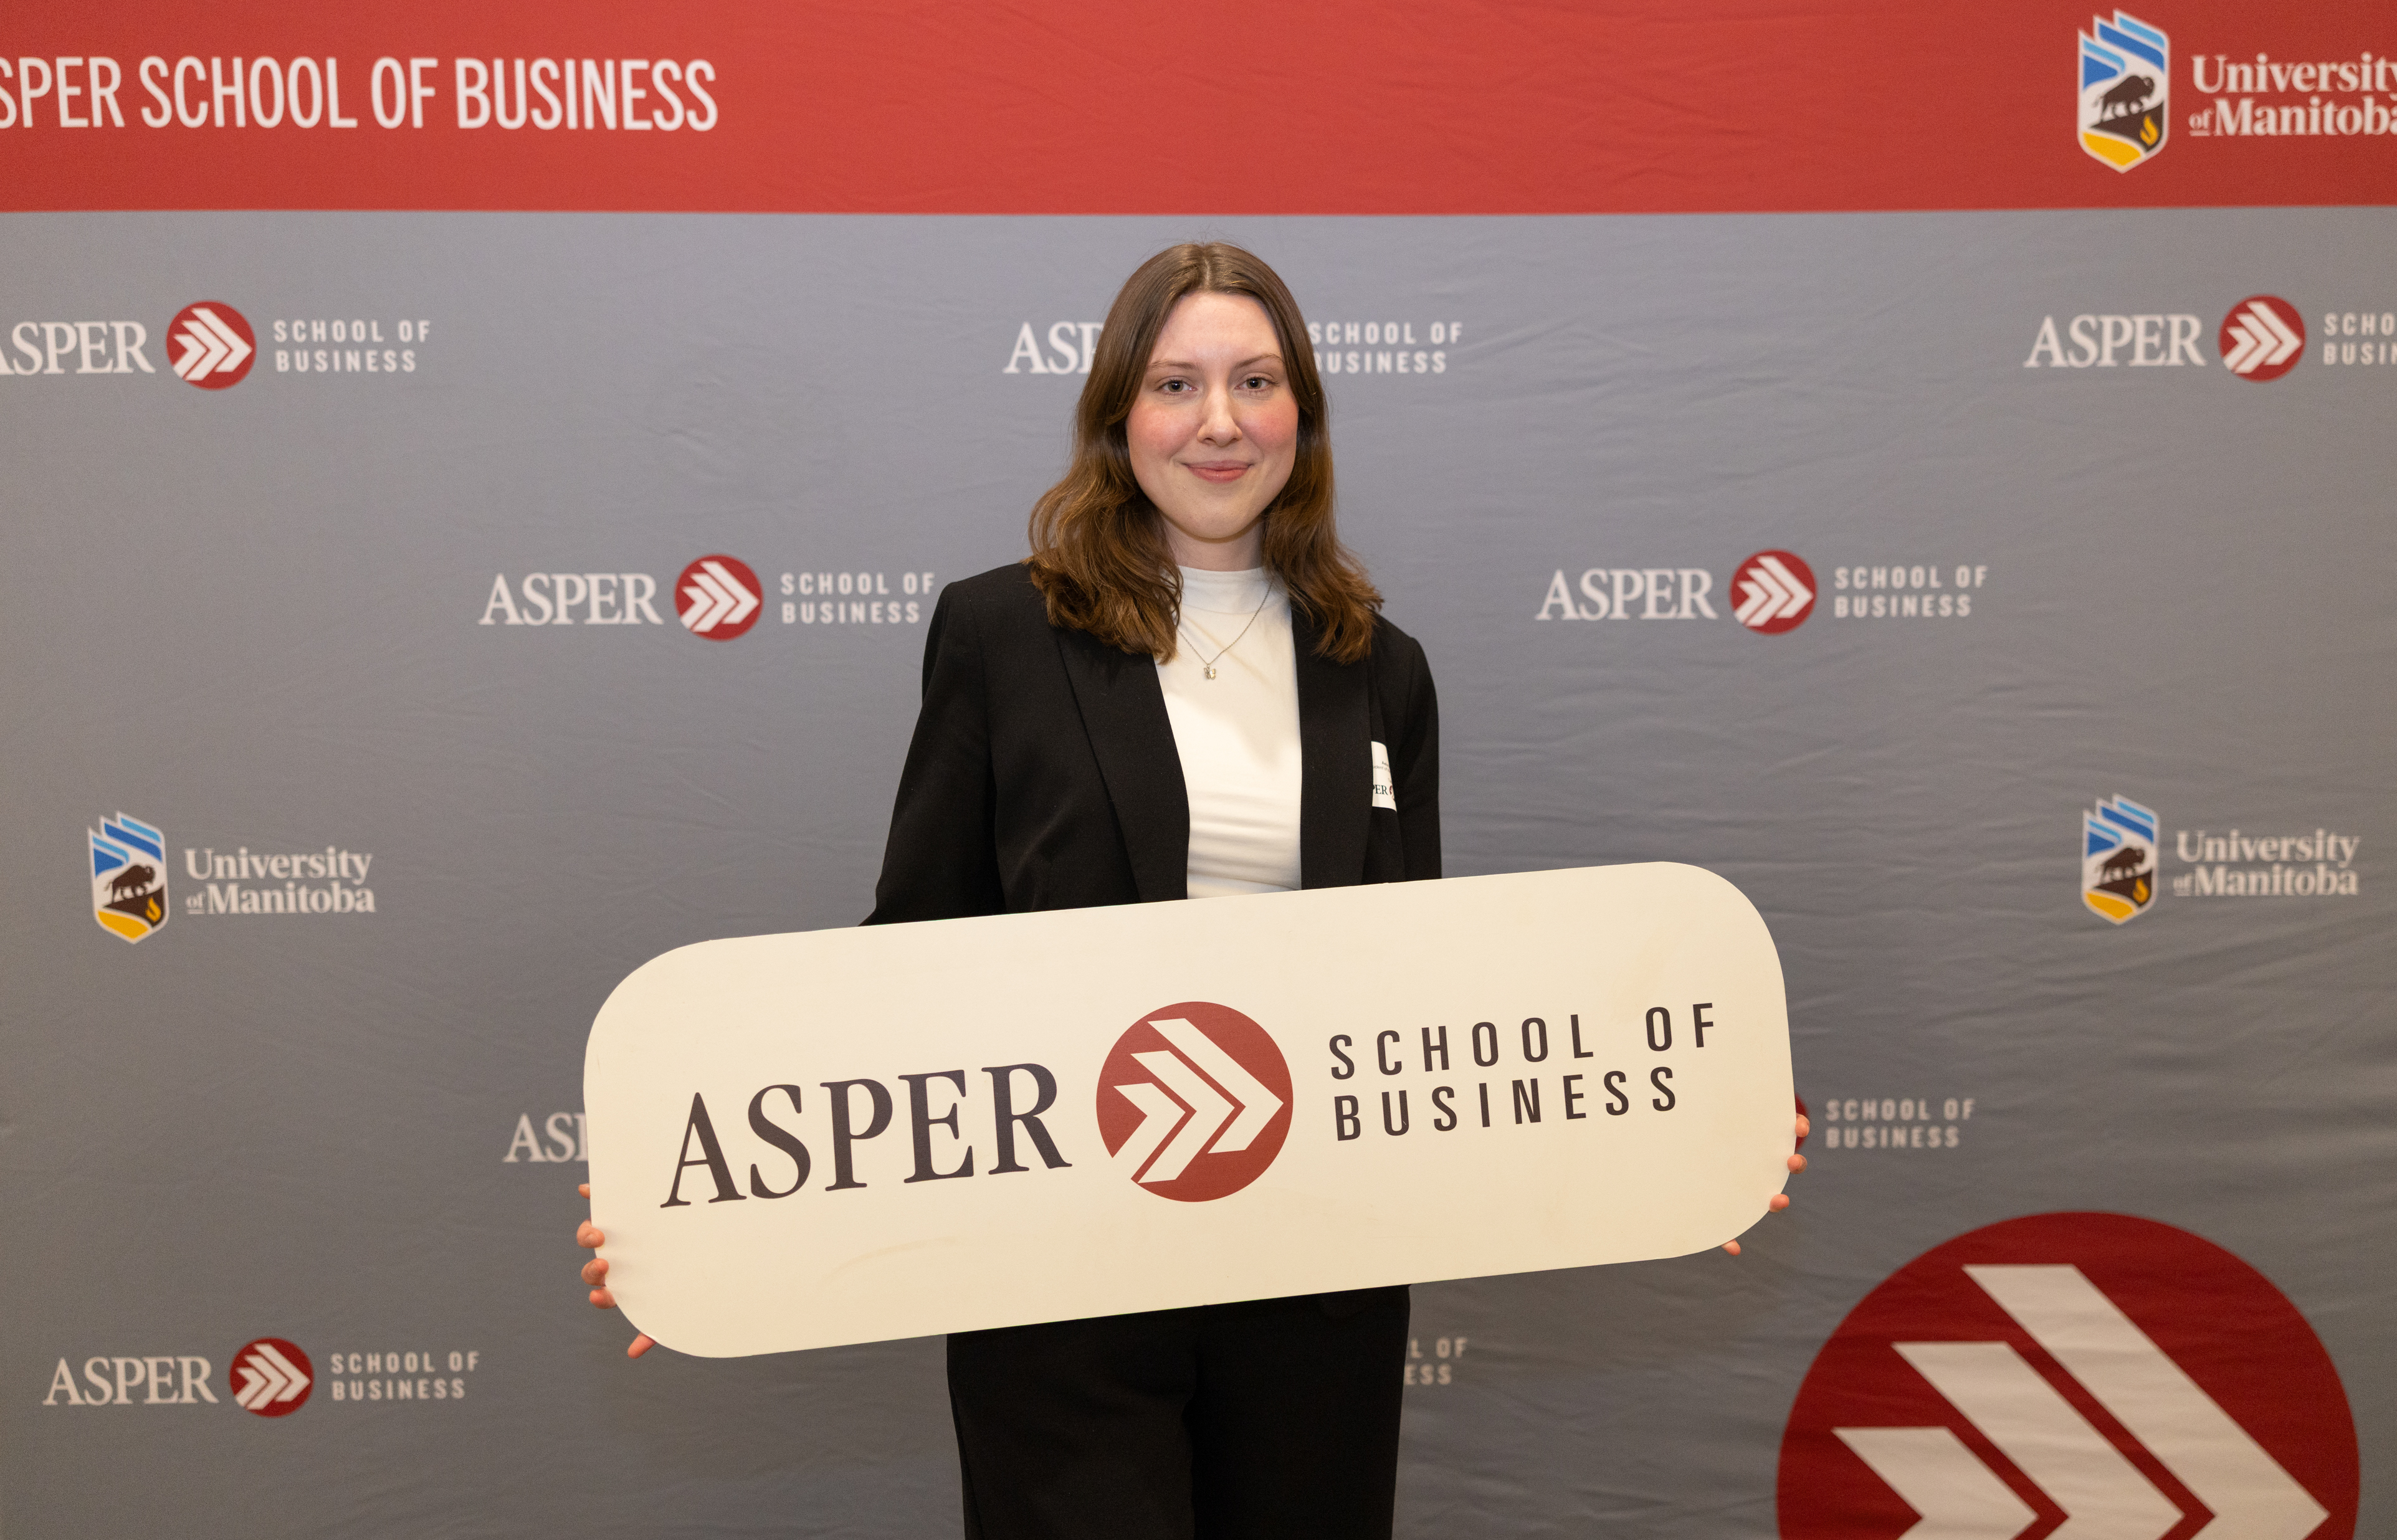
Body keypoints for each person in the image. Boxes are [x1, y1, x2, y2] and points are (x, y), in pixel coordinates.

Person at [576, 241, 1806, 1538]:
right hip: (1058, 1278)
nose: (1219, 421)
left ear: (1303, 416)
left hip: (1319, 1272)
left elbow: (1431, 988)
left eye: (1256, 382)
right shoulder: (1004, 634)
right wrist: (702, 1211)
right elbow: (907, 960)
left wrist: (1684, 1130)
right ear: (1118, 417)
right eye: (1176, 384)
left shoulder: (1379, 668)